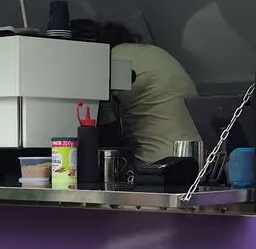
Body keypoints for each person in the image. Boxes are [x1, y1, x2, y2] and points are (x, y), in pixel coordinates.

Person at [72, 20, 202, 165]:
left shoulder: (113, 61)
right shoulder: (155, 52)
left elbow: (102, 132)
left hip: (160, 164)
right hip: (200, 159)